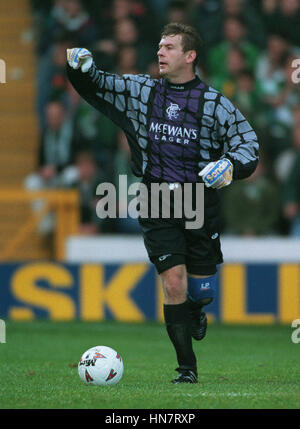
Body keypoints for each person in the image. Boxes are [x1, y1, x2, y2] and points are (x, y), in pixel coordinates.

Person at [66, 22, 259, 384]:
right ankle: (187, 368)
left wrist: (231, 165)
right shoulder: (142, 90)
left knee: (200, 290)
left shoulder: (214, 103)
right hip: (156, 199)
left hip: (199, 201)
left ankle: (197, 309)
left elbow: (248, 144)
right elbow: (102, 85)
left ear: (190, 56)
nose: (160, 52)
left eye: (168, 47)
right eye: (159, 46)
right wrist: (82, 68)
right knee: (173, 281)